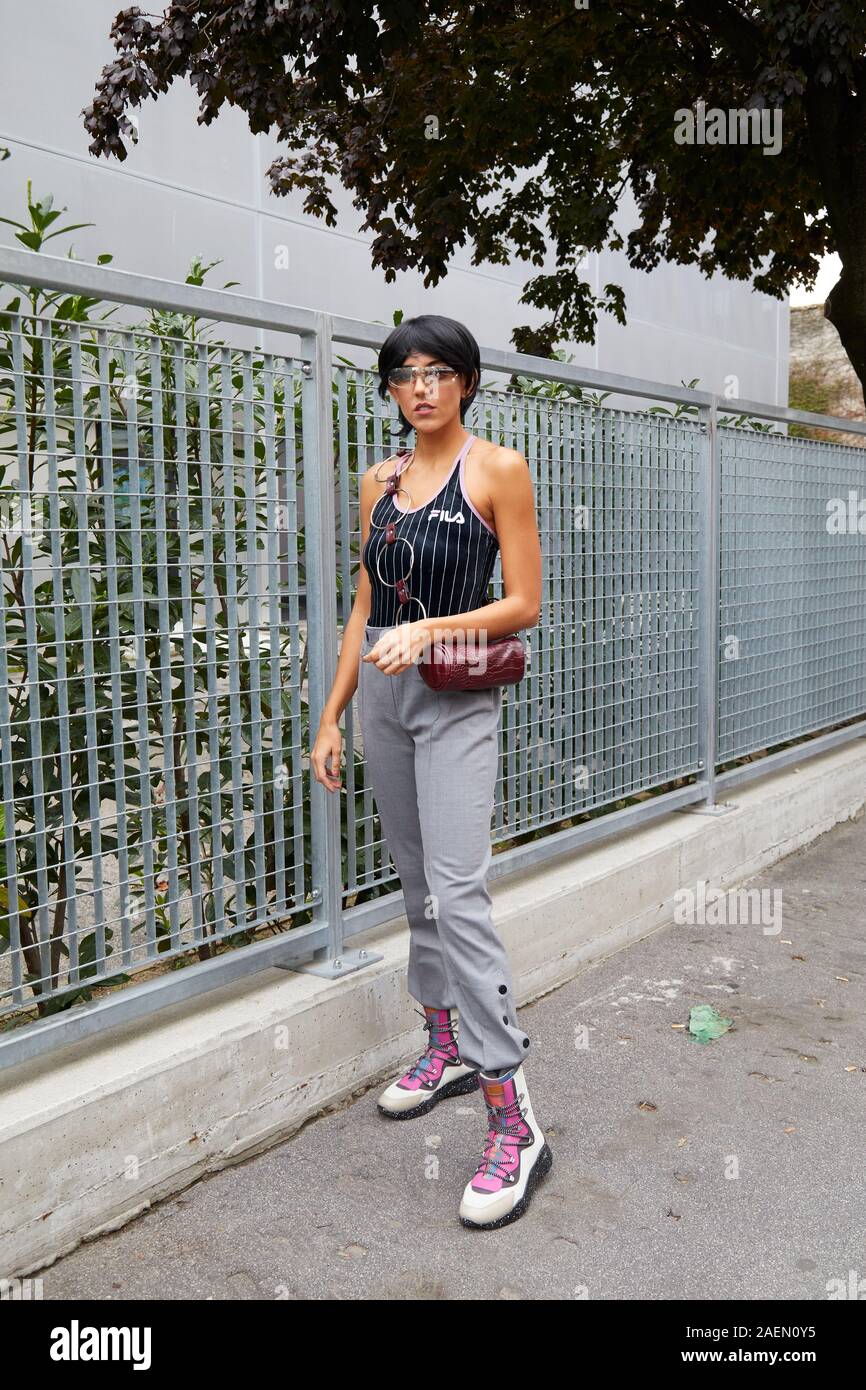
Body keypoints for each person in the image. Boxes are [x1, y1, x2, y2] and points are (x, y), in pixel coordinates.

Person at [311, 314, 551, 1230]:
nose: (421, 387)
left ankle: (512, 1117)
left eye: (439, 371)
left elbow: (525, 602)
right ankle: (442, 1045)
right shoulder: (376, 478)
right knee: (419, 891)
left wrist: (434, 630)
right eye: (404, 374)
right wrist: (329, 717)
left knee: (460, 893)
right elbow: (365, 603)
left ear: (466, 383)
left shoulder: (497, 469)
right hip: (382, 694)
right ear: (389, 389)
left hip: (454, 693)